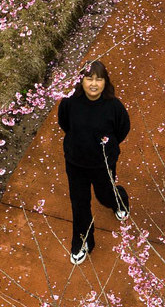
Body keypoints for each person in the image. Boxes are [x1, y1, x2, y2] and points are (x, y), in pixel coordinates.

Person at [57, 60, 131, 265]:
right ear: (81, 81)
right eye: (89, 78)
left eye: (99, 79)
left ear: (105, 82)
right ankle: (82, 241)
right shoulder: (69, 102)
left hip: (103, 164)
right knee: (79, 204)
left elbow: (122, 128)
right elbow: (64, 123)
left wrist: (109, 148)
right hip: (76, 163)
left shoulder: (113, 106)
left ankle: (120, 200)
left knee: (105, 195)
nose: (93, 84)